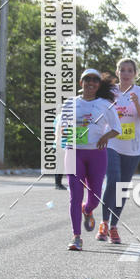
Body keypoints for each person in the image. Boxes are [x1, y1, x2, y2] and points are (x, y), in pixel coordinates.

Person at [59, 69, 122, 251]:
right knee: (75, 196)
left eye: (95, 80)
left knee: (94, 198)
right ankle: (76, 237)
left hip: (97, 153)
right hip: (74, 152)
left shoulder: (105, 104)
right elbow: (63, 127)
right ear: (81, 83)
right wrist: (67, 132)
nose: (91, 83)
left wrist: (105, 137)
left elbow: (116, 128)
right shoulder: (70, 103)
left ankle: (87, 210)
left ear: (98, 84)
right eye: (87, 79)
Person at [99, 58, 140, 244]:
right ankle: (104, 223)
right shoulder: (110, 92)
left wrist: (137, 104)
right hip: (111, 143)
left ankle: (114, 226)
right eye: (123, 70)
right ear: (117, 72)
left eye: (130, 70)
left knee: (122, 187)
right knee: (113, 180)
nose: (126, 73)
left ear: (135, 73)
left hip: (132, 147)